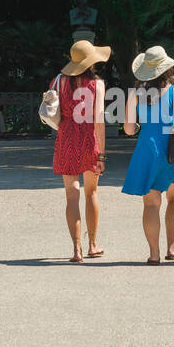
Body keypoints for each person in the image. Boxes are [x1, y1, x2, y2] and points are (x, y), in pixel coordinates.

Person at [122, 46, 174, 264]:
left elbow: (129, 129)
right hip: (173, 150)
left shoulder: (135, 93)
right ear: (167, 68)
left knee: (151, 204)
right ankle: (172, 248)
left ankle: (154, 254)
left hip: (147, 150)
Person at [51, 40, 110, 262]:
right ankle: (92, 245)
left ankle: (76, 250)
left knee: (71, 196)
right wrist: (102, 154)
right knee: (91, 193)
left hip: (66, 139)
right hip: (89, 141)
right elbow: (99, 121)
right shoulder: (98, 85)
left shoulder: (59, 82)